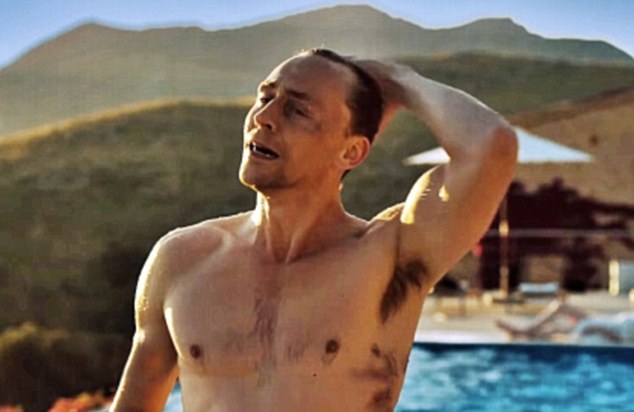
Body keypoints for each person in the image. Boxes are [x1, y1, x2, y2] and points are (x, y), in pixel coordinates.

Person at [111, 48, 517, 411]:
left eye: (297, 111)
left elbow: (492, 145)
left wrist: (397, 79)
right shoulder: (181, 258)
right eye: (265, 98)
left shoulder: (387, 256)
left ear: (351, 151)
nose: (263, 118)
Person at [496, 300, 634, 344]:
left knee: (557, 326)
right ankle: (525, 331)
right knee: (559, 308)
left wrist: (595, 329)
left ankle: (524, 331)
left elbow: (618, 338)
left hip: (594, 326)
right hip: (597, 320)